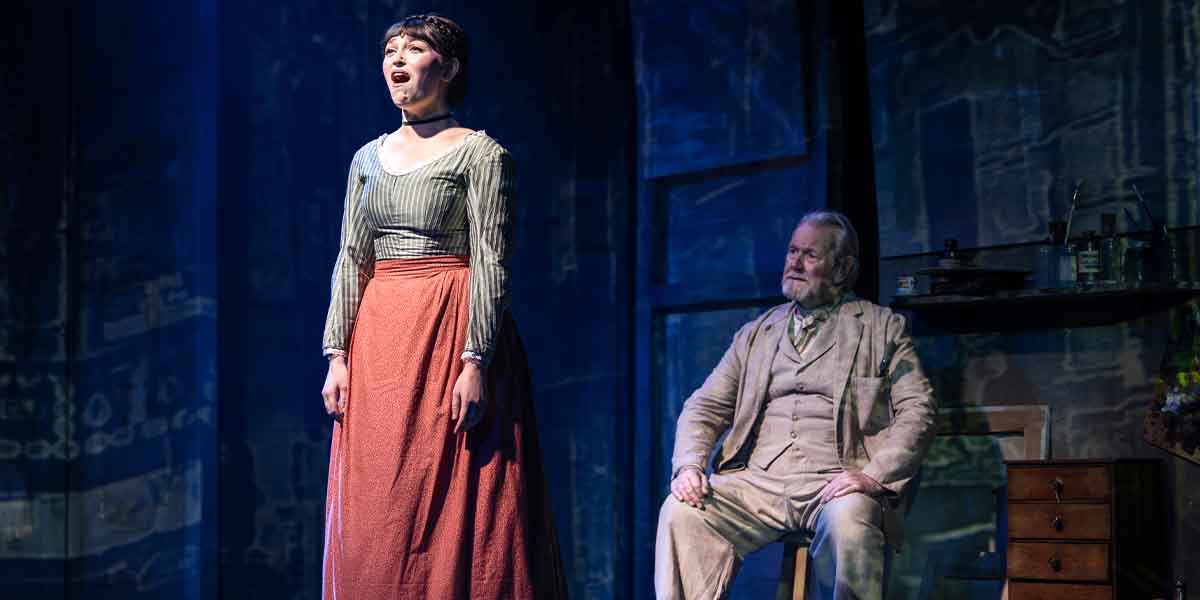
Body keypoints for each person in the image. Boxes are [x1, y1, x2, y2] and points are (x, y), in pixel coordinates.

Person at [318, 14, 567, 600]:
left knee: (452, 496)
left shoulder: (481, 155)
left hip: (449, 330)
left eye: (415, 49)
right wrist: (336, 354)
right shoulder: (366, 159)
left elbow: (490, 260)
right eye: (390, 51)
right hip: (379, 337)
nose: (397, 61)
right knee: (377, 503)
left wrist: (475, 360)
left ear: (450, 67)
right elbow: (351, 257)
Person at [654, 210, 937, 599]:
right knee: (682, 511)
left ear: (843, 268)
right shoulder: (757, 333)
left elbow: (918, 411)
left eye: (810, 255)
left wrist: (873, 475)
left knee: (852, 520)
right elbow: (704, 405)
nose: (795, 263)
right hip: (757, 483)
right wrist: (688, 465)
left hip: (834, 481)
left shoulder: (880, 327)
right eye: (792, 252)